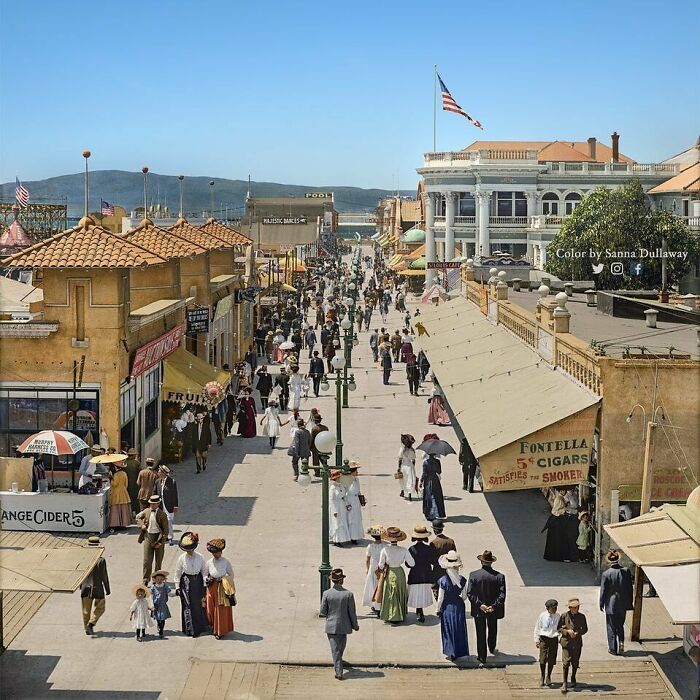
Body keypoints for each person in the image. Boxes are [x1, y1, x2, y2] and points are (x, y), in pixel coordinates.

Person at [467, 550, 506, 666]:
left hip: (479, 609)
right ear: (491, 563)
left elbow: (470, 593)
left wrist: (480, 604)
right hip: (493, 610)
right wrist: (493, 606)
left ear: (481, 562)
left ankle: (482, 656)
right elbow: (502, 595)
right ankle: (492, 646)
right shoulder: (499, 576)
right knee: (493, 628)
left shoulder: (474, 575)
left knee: (480, 632)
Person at [319, 568, 359, 681]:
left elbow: (323, 611)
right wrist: (355, 626)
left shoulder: (326, 594)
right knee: (339, 649)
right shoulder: (349, 594)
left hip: (331, 627)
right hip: (344, 627)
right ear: (342, 580)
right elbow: (352, 613)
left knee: (335, 650)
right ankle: (339, 671)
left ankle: (338, 668)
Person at [599, 549, 633, 656]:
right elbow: (629, 588)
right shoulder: (626, 571)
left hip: (611, 604)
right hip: (622, 603)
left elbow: (603, 591)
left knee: (611, 626)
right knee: (620, 625)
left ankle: (613, 648)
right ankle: (621, 643)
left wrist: (601, 603)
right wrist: (629, 602)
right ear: (618, 559)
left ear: (609, 560)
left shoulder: (606, 574)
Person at [436, 550, 469, 661]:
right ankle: (459, 650)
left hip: (447, 606)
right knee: (459, 628)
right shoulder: (462, 580)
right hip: (459, 605)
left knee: (448, 629)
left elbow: (440, 598)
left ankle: (451, 651)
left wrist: (438, 609)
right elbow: (464, 596)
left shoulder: (443, 580)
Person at [175, 532, 208, 637]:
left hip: (197, 582)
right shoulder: (181, 558)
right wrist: (177, 587)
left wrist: (205, 584)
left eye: (191, 549)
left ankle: (200, 627)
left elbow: (204, 571)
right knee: (188, 606)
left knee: (198, 605)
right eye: (187, 550)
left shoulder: (200, 557)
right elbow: (178, 573)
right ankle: (190, 629)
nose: (189, 552)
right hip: (186, 583)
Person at [378, 527, 414, 624]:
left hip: (390, 572)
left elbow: (380, 565)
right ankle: (399, 613)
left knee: (390, 593)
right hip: (399, 572)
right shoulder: (403, 550)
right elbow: (412, 563)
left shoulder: (385, 550)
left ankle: (391, 614)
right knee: (399, 592)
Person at [204, 538, 235, 639]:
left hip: (221, 587)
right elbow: (204, 574)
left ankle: (220, 631)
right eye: (214, 554)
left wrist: (224, 579)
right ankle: (213, 626)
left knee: (220, 609)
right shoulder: (209, 562)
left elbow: (231, 574)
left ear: (221, 552)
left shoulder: (226, 562)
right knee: (210, 608)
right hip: (211, 587)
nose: (216, 555)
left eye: (217, 553)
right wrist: (207, 579)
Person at [80, 536, 110, 635]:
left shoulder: (83, 559)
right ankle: (91, 623)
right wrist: (107, 589)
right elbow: (104, 576)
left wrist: (80, 586)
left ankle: (86, 628)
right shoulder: (101, 560)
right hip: (98, 588)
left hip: (85, 588)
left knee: (85, 611)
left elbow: (79, 573)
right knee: (101, 607)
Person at [406, 525, 436, 623]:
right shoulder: (428, 548)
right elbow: (432, 561)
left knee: (416, 593)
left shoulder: (411, 549)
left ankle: (419, 611)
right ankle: (420, 611)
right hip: (426, 575)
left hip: (415, 575)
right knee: (423, 593)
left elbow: (408, 564)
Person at [559, 598, 588, 693]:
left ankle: (573, 677)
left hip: (577, 643)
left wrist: (577, 633)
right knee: (566, 663)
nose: (576, 609)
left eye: (577, 607)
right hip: (566, 643)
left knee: (575, 662)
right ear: (570, 608)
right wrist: (567, 631)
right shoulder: (564, 616)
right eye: (574, 607)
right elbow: (559, 628)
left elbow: (585, 629)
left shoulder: (582, 617)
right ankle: (564, 682)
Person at [534, 598, 561, 687]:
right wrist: (536, 639)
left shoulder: (558, 616)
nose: (554, 610)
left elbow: (560, 628)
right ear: (548, 608)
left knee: (551, 659)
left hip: (553, 638)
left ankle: (548, 676)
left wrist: (559, 637)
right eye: (553, 608)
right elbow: (538, 627)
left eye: (556, 608)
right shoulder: (542, 615)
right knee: (542, 659)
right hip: (544, 638)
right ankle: (542, 675)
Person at [363, 525, 387, 616]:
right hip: (381, 567)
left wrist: (367, 569)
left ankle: (375, 604)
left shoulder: (370, 546)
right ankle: (380, 604)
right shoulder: (385, 545)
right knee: (381, 586)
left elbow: (367, 559)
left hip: (373, 567)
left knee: (373, 586)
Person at [542, 488, 570, 561]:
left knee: (558, 539)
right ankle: (554, 556)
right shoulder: (558, 499)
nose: (565, 491)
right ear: (561, 491)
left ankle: (557, 556)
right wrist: (564, 509)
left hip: (559, 520)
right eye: (564, 490)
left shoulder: (561, 498)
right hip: (556, 521)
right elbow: (554, 511)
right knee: (556, 539)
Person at [154, 465, 178, 545]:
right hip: (160, 505)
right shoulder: (157, 482)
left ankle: (170, 537)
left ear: (164, 473)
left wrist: (175, 506)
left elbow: (174, 495)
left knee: (169, 521)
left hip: (169, 505)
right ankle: (164, 536)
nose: (158, 473)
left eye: (159, 471)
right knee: (161, 522)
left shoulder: (171, 482)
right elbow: (154, 492)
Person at [420, 451, 446, 521]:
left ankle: (430, 513)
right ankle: (438, 513)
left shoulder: (426, 462)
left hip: (428, 480)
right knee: (437, 496)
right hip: (435, 480)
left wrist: (421, 481)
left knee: (429, 497)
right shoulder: (437, 461)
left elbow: (424, 473)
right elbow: (439, 471)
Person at [108, 456, 132, 529]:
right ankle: (123, 524)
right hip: (124, 492)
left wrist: (111, 478)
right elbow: (126, 484)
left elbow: (114, 484)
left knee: (116, 509)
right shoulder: (124, 473)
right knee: (123, 509)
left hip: (116, 493)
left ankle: (115, 524)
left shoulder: (116, 475)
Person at [329, 470, 351, 547]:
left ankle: (342, 539)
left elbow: (344, 496)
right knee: (336, 524)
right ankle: (336, 540)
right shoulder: (332, 488)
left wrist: (347, 504)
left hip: (342, 506)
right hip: (336, 506)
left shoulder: (341, 486)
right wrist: (334, 510)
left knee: (343, 522)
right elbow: (331, 500)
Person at [345, 464, 364, 544]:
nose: (357, 473)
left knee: (357, 519)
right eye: (356, 471)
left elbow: (358, 489)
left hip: (356, 500)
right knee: (351, 519)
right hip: (350, 500)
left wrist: (361, 499)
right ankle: (351, 537)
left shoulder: (356, 479)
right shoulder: (347, 480)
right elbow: (345, 492)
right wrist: (347, 503)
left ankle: (355, 536)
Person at [150, 570, 171, 639]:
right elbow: (151, 596)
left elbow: (169, 593)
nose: (159, 580)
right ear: (155, 579)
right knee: (158, 619)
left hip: (163, 605)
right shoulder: (153, 587)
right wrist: (152, 605)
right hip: (156, 606)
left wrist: (176, 594)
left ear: (164, 579)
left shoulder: (165, 586)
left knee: (163, 619)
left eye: (161, 579)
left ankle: (161, 630)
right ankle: (159, 625)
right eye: (158, 579)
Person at [397, 434, 418, 501]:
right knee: (410, 480)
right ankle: (409, 494)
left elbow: (400, 459)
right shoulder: (412, 450)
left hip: (403, 466)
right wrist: (413, 467)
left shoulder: (401, 450)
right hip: (410, 466)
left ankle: (402, 491)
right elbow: (413, 459)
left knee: (403, 479)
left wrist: (399, 467)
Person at [124, 448, 141, 516]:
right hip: (135, 484)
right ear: (134, 455)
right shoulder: (137, 463)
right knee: (135, 499)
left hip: (126, 485)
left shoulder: (124, 463)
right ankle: (136, 513)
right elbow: (140, 473)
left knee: (128, 499)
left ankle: (128, 514)